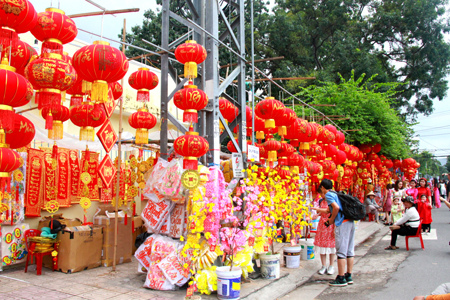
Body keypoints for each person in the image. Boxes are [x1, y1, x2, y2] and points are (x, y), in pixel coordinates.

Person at [318, 179, 355, 287]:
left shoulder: (329, 195)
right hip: (350, 222)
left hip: (342, 223)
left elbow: (336, 208)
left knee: (341, 252)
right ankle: (349, 276)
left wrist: (331, 220)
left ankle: (341, 278)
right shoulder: (337, 193)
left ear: (323, 187)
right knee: (349, 251)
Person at [312, 195, 336, 275]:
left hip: (330, 224)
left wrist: (335, 228)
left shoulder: (332, 201)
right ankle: (323, 266)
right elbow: (322, 212)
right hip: (322, 225)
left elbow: (329, 212)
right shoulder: (321, 201)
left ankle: (331, 266)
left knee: (331, 246)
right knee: (322, 246)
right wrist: (317, 215)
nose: (321, 195)